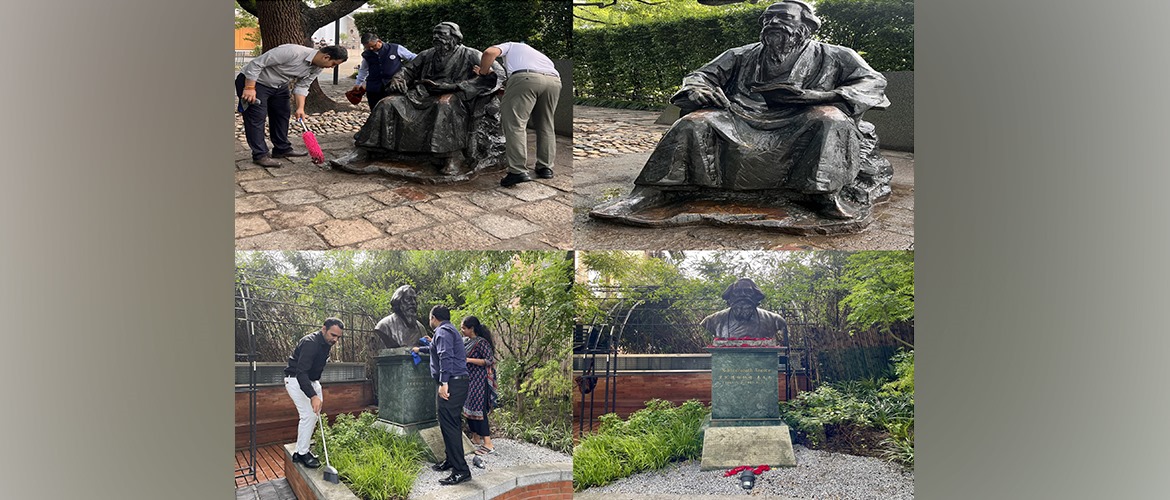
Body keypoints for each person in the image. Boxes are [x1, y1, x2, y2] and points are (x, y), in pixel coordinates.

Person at [591, 0, 890, 221]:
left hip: (803, 117)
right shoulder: (740, 54)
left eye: (783, 17)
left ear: (807, 26)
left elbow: (872, 82)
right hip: (739, 116)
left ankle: (823, 195)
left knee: (828, 120)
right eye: (767, 19)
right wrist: (700, 91)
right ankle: (651, 193)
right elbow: (699, 77)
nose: (773, 23)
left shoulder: (837, 55)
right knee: (693, 124)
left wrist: (820, 95)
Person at [335, 22, 506, 176]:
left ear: (455, 37)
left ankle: (450, 157)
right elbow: (408, 70)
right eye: (435, 34)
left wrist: (460, 86)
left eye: (442, 34)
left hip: (456, 94)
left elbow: (498, 73)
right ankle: (366, 149)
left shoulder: (470, 54)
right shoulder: (427, 54)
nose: (436, 38)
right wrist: (398, 79)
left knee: (444, 105)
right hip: (422, 93)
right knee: (386, 104)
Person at [236, 44, 348, 168]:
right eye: (334, 64)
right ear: (326, 57)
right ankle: (260, 155)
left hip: (279, 85)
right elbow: (256, 64)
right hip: (255, 82)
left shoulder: (317, 67)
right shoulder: (292, 52)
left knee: (282, 114)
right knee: (256, 117)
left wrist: (300, 108)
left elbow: (303, 86)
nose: (332, 67)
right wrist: (249, 87)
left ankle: (282, 149)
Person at [474, 42, 562, 187]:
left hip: (525, 79)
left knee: (515, 124)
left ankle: (517, 171)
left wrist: (483, 73)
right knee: (546, 125)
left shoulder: (511, 46)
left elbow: (489, 53)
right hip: (553, 81)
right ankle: (545, 168)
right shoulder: (538, 56)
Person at [413, 305, 471, 485]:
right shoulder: (448, 330)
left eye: (429, 318)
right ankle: (451, 460)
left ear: (433, 317)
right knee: (448, 424)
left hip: (452, 382)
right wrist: (419, 350)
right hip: (457, 381)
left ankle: (461, 470)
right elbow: (435, 349)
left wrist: (444, 382)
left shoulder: (443, 331)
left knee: (450, 425)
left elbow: (445, 355)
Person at [283, 318, 345, 469]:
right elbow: (301, 372)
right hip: (296, 380)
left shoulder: (326, 343)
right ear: (324, 329)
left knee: (313, 416)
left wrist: (315, 390)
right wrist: (313, 396)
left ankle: (299, 451)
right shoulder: (311, 343)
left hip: (312, 381)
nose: (335, 339)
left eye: (338, 337)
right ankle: (303, 453)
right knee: (308, 415)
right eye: (333, 335)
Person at [700, 278, 788, 340]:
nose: (742, 295)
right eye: (737, 292)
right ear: (730, 297)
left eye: (748, 291)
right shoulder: (712, 321)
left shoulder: (775, 320)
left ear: (756, 296)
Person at [459, 316, 497, 455]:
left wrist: (469, 360)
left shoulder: (481, 343)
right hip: (468, 380)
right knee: (469, 411)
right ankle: (476, 439)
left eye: (464, 328)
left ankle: (488, 443)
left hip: (480, 381)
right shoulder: (465, 341)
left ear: (472, 328)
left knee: (479, 411)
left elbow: (489, 361)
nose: (462, 330)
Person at [353, 33, 417, 110]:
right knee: (375, 109)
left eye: (373, 46)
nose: (371, 49)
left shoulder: (395, 48)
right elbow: (363, 70)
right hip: (374, 86)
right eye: (368, 48)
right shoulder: (367, 55)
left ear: (379, 41)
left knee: (395, 109)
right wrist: (358, 83)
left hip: (393, 85)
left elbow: (413, 58)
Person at [371, 285, 429, 350]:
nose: (413, 303)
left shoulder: (421, 328)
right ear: (398, 301)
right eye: (408, 299)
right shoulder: (384, 326)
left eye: (414, 299)